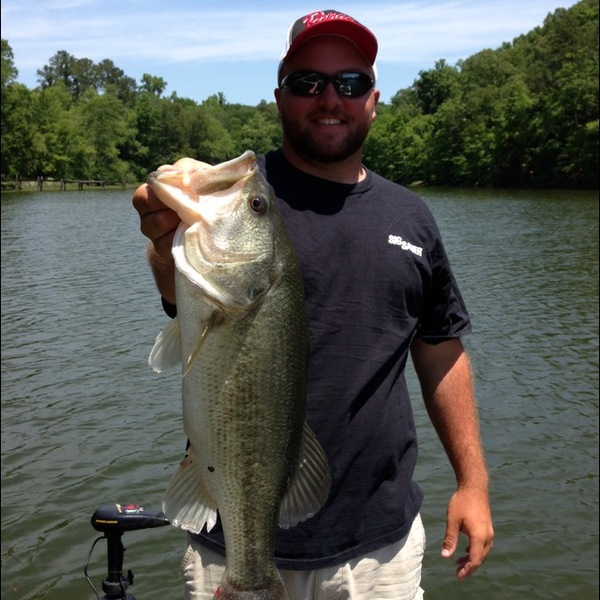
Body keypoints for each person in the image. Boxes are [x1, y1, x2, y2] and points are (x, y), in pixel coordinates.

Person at [132, 9, 494, 600]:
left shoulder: (411, 218)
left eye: (350, 82)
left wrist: (472, 483)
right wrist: (162, 239)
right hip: (229, 542)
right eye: (308, 82)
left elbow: (441, 352)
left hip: (377, 549)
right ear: (280, 96)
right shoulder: (239, 195)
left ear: (373, 99)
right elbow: (182, 298)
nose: (330, 98)